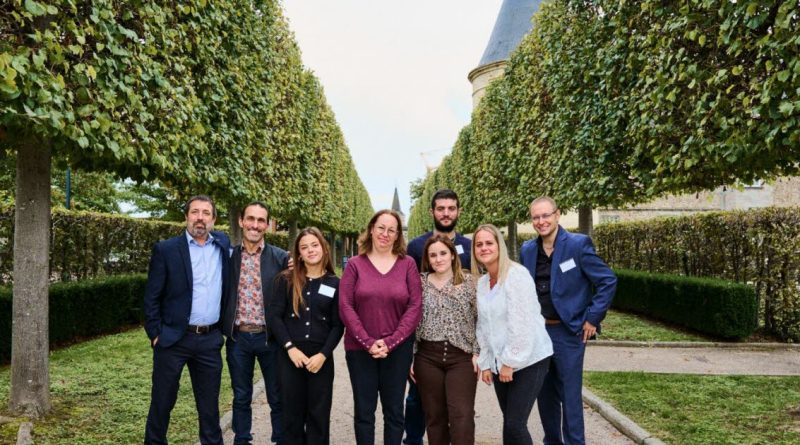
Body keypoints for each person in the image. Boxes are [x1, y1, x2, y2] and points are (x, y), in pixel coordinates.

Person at [520, 197, 617, 445]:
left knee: (570, 397)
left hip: (569, 333)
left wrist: (592, 318)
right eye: (536, 217)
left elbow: (607, 281)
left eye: (546, 215)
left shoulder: (577, 245)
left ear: (557, 215)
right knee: (545, 395)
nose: (541, 221)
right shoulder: (528, 250)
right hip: (539, 334)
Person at [143, 195, 231, 445]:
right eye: (195, 212)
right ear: (186, 217)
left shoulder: (223, 245)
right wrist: (155, 334)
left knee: (209, 407)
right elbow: (151, 297)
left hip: (209, 340)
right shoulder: (167, 249)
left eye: (206, 213)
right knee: (162, 402)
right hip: (173, 340)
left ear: (213, 220)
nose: (200, 218)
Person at [339, 209, 423, 445]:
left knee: (394, 412)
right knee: (364, 413)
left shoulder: (407, 265)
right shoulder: (355, 264)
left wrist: (391, 341)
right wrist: (367, 342)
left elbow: (415, 306)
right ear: (372, 230)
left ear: (397, 235)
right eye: (381, 228)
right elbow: (345, 306)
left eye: (391, 230)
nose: (385, 234)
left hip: (397, 352)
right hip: (359, 350)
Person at [472, 224, 552, 445]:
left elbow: (522, 322)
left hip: (529, 359)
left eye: (489, 243)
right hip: (500, 360)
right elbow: (484, 326)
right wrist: (486, 362)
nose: (484, 248)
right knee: (509, 422)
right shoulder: (482, 283)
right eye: (479, 244)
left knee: (515, 425)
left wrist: (510, 362)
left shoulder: (516, 275)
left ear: (499, 245)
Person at [404, 189, 472, 445]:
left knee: (459, 407)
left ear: (458, 211)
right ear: (432, 212)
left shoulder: (469, 246)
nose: (446, 213)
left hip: (459, 342)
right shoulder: (416, 246)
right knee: (417, 398)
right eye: (441, 209)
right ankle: (412, 440)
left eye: (451, 208)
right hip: (426, 341)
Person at [222, 201, 289, 445]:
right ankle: (242, 440)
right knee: (241, 396)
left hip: (270, 338)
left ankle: (280, 439)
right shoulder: (227, 257)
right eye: (251, 218)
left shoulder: (281, 258)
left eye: (261, 220)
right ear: (241, 221)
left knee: (277, 396)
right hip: (238, 338)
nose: (255, 225)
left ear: (267, 225)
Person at [270, 227, 344, 445]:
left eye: (314, 245)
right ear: (298, 253)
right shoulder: (285, 280)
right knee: (291, 415)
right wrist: (290, 348)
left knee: (319, 416)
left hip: (320, 360)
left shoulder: (334, 283)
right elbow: (274, 317)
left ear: (323, 247)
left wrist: (323, 354)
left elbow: (338, 325)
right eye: (304, 247)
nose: (310, 250)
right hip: (291, 357)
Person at [412, 235, 478, 445]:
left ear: (452, 255)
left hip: (461, 357)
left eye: (442, 253)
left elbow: (482, 320)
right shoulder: (418, 283)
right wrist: (410, 357)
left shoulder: (469, 283)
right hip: (427, 357)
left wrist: (477, 352)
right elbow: (410, 319)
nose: (438, 258)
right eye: (433, 255)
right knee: (435, 416)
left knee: (462, 415)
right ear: (427, 259)